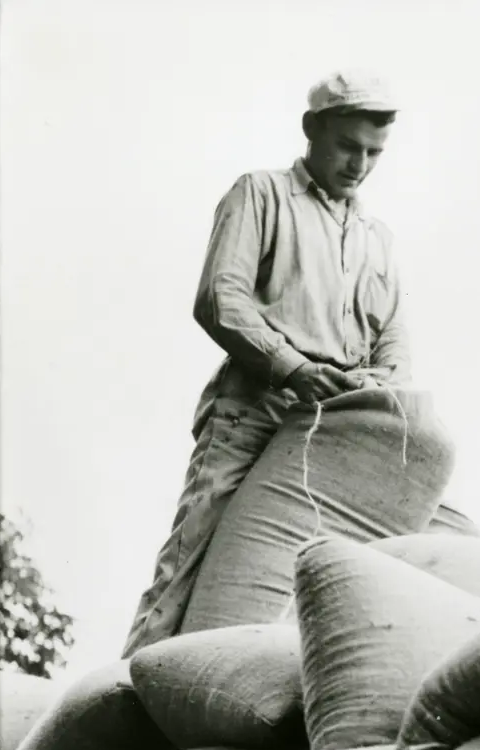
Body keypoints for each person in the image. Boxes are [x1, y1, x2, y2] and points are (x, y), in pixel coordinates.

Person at [122, 71, 409, 657]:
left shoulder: (377, 237)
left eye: (373, 153)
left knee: (334, 563)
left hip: (339, 418)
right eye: (347, 146)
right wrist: (293, 367)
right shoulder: (261, 194)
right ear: (311, 131)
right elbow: (220, 298)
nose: (359, 164)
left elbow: (394, 334)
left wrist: (382, 380)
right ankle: (127, 701)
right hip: (258, 402)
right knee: (194, 551)